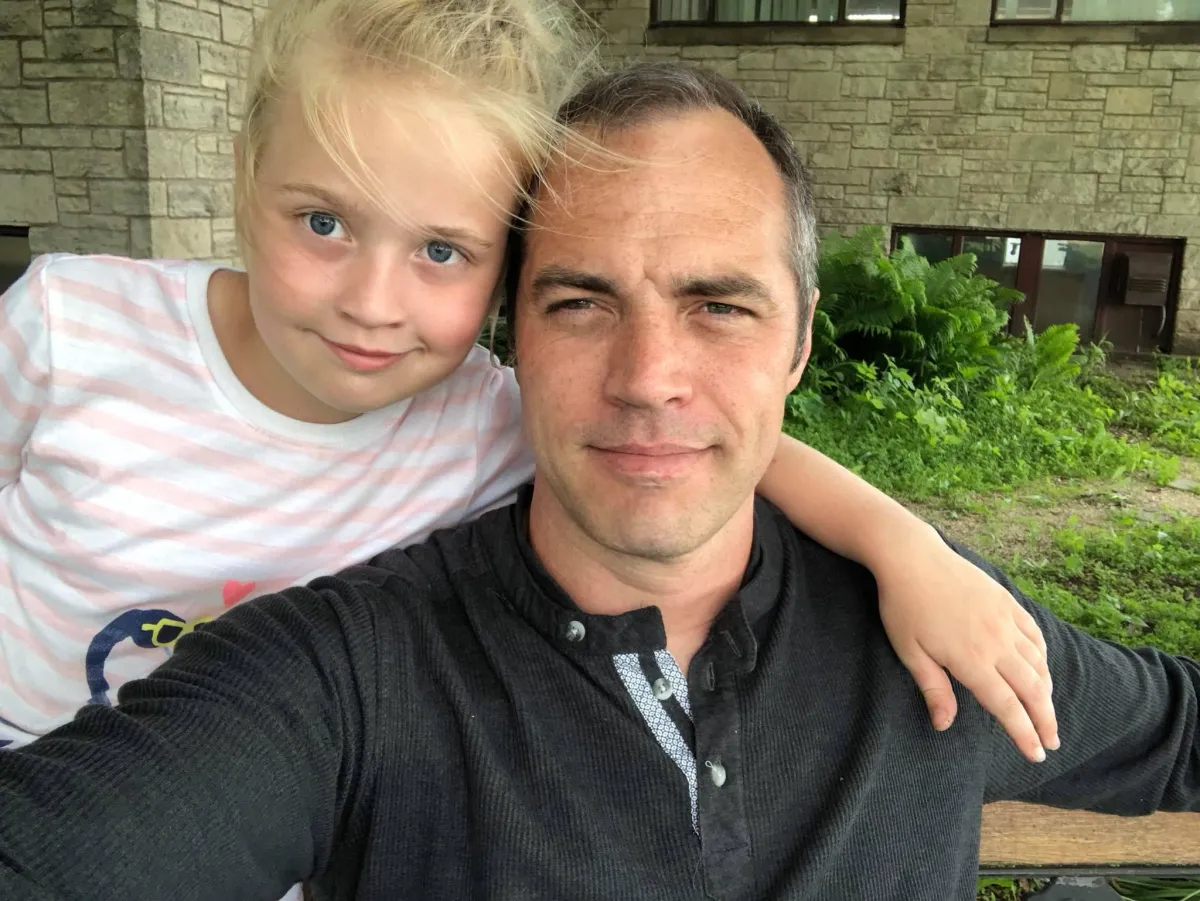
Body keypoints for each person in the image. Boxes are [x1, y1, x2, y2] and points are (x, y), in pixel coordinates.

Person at [1, 61, 1196, 901]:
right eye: (581, 303)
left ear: (798, 342)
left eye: (719, 306)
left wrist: (911, 549)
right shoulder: (349, 672)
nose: (647, 378)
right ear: (509, 335)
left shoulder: (942, 637)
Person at [0, 0, 1054, 762]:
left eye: (442, 252)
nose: (373, 300)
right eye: (323, 222)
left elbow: (717, 439)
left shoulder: (474, 418)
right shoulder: (70, 328)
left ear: (502, 271)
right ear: (244, 179)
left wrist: (907, 549)